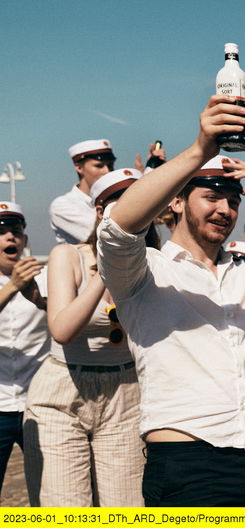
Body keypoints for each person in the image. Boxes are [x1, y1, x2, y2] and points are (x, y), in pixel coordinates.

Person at [97, 95, 245, 507]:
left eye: (234, 201)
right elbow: (117, 229)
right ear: (177, 201)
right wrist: (200, 150)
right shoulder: (144, 271)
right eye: (212, 197)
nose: (226, 210)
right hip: (189, 461)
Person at [23, 168, 153, 507]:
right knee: (64, 507)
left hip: (126, 393)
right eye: (124, 203)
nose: (135, 212)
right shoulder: (68, 256)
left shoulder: (153, 263)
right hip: (63, 391)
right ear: (100, 211)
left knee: (127, 508)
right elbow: (63, 330)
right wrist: (109, 266)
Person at [0, 202, 49, 499]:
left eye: (16, 231)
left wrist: (41, 300)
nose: (10, 237)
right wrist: (11, 287)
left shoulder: (45, 277)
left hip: (39, 403)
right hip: (0, 405)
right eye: (1, 232)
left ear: (25, 240)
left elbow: (67, 320)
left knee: (48, 493)